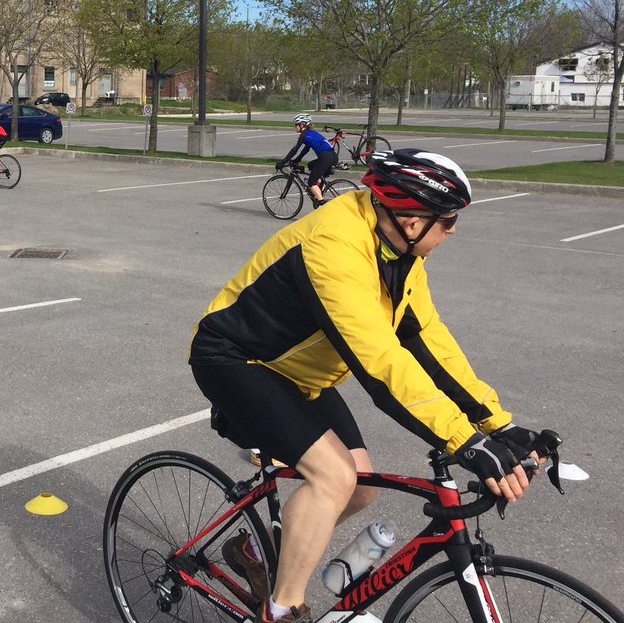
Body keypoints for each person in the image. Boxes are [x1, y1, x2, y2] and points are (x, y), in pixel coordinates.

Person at [189, 149, 544, 622]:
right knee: (333, 476)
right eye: (448, 219)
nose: (454, 229)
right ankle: (280, 610)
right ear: (412, 218)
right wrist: (463, 440)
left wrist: (498, 424)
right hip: (236, 359)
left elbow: (426, 340)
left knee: (361, 486)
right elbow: (379, 361)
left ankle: (254, 550)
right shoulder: (335, 244)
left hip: (299, 373)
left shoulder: (397, 249)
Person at [275, 113, 337, 208]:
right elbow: (306, 149)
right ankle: (319, 188)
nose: (294, 127)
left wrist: (282, 162)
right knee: (311, 165)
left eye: (296, 124)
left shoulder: (303, 135)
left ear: (302, 125)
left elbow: (294, 150)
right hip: (333, 157)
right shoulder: (311, 133)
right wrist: (297, 160)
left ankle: (321, 202)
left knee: (311, 182)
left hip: (325, 158)